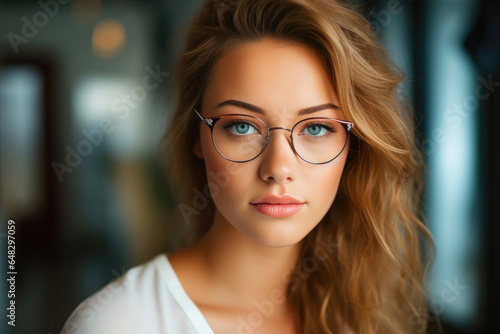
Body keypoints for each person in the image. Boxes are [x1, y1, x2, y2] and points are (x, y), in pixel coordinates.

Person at [62, 0, 434, 333]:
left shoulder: (367, 308)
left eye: (317, 128)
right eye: (241, 126)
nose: (278, 168)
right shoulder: (118, 324)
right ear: (197, 136)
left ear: (353, 145)